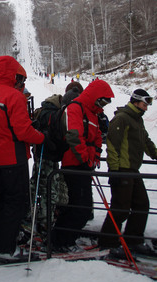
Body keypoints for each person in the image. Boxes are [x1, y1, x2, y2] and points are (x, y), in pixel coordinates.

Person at [0, 55, 45, 261]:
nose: (21, 83)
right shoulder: (15, 97)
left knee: (1, 201)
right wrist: (42, 137)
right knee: (14, 203)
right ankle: (5, 248)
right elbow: (23, 131)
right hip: (13, 157)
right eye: (20, 78)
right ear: (13, 75)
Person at [51, 79, 114, 252]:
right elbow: (74, 136)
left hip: (84, 166)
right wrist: (86, 158)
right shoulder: (75, 108)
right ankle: (60, 241)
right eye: (101, 100)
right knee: (80, 207)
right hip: (74, 165)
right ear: (94, 95)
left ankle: (64, 238)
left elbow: (97, 138)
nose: (102, 105)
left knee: (82, 207)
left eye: (105, 103)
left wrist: (95, 155)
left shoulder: (93, 114)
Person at [99, 89, 157, 254]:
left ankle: (133, 239)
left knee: (141, 204)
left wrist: (155, 154)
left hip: (133, 169)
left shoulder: (137, 120)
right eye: (144, 104)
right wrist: (114, 171)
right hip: (122, 169)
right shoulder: (122, 118)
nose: (146, 108)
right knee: (121, 207)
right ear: (136, 101)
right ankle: (107, 241)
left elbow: (146, 141)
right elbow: (112, 145)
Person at [29, 82, 84, 237]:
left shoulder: (58, 110)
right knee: (47, 188)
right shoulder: (50, 112)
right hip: (44, 154)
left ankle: (44, 216)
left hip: (52, 154)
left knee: (49, 187)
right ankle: (43, 219)